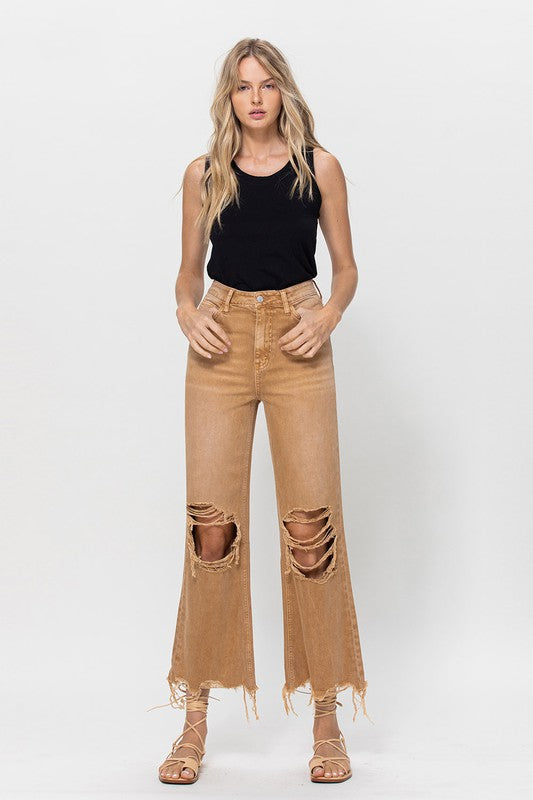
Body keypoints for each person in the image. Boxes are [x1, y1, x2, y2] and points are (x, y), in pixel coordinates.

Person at [156, 37, 371, 786]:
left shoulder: (320, 167)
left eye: (267, 84)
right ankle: (194, 721)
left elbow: (344, 269)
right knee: (210, 529)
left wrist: (329, 315)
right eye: (243, 85)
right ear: (229, 94)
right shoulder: (204, 174)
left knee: (309, 526)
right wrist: (186, 314)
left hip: (296, 339)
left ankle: (325, 719)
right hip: (217, 346)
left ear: (283, 92)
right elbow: (184, 280)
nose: (255, 97)